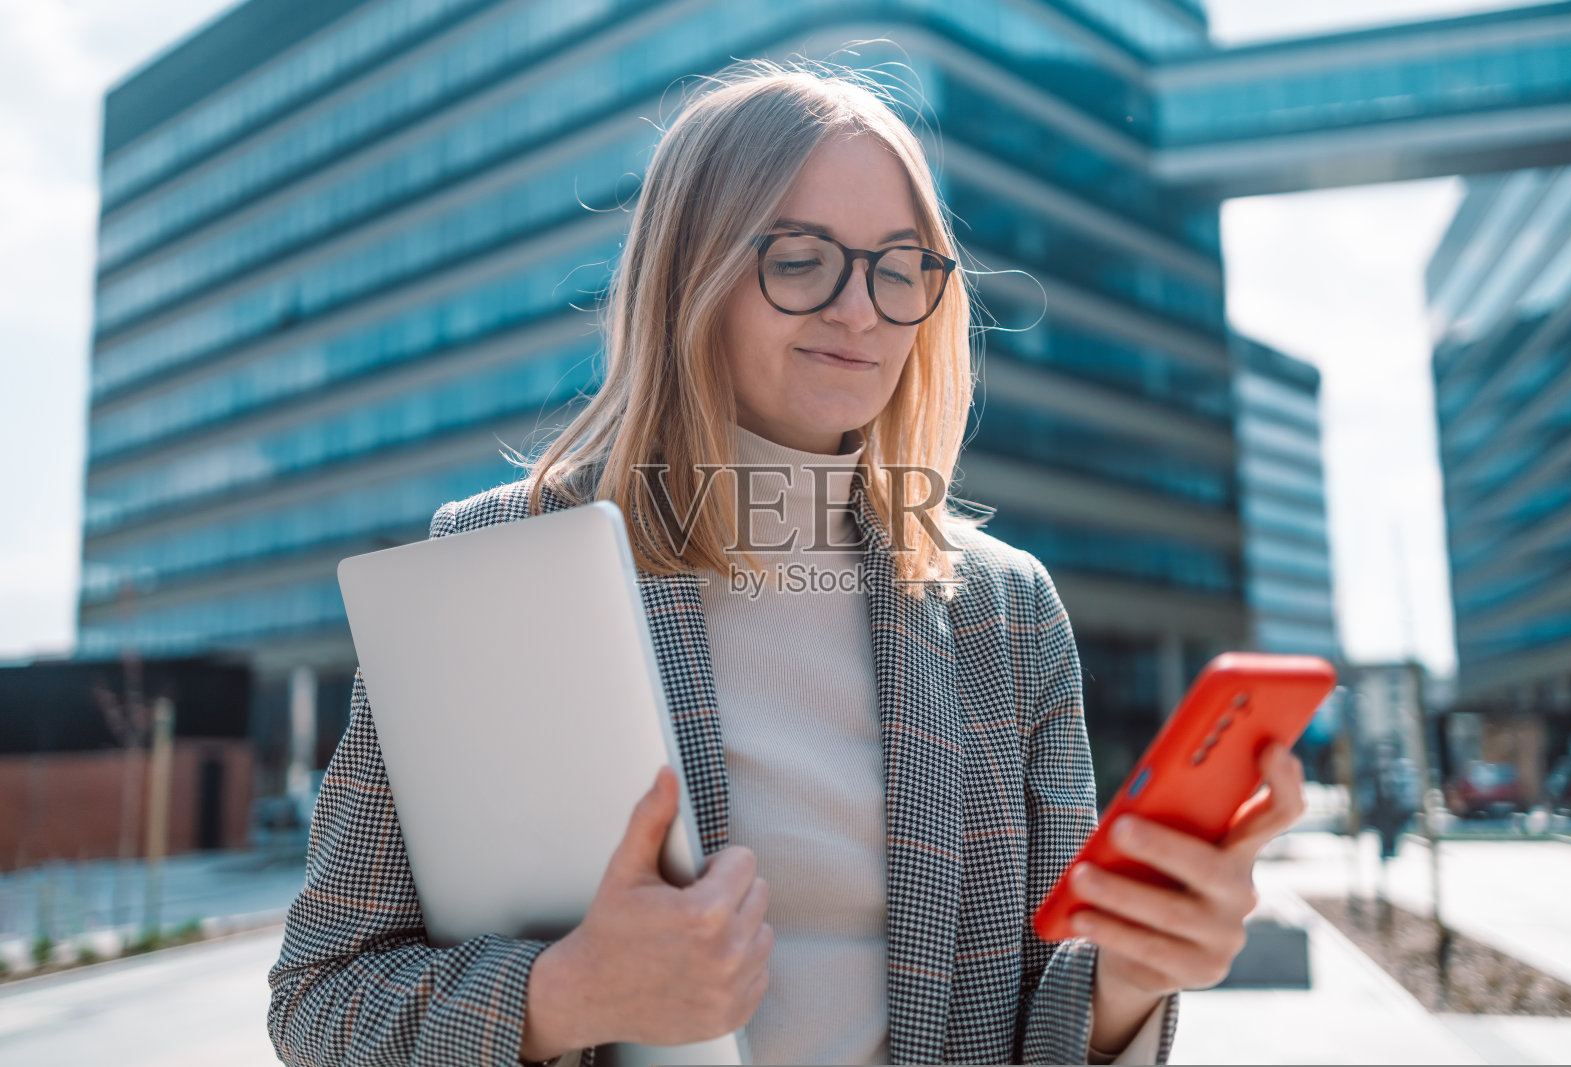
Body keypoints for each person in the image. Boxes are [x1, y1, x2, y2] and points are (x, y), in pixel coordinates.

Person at [267, 58, 1307, 1067]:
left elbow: (1045, 1020)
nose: (860, 309)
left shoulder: (1005, 611)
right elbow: (320, 1000)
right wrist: (563, 994)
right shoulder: (491, 570)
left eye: (899, 267)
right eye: (800, 257)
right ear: (694, 273)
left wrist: (1131, 977)